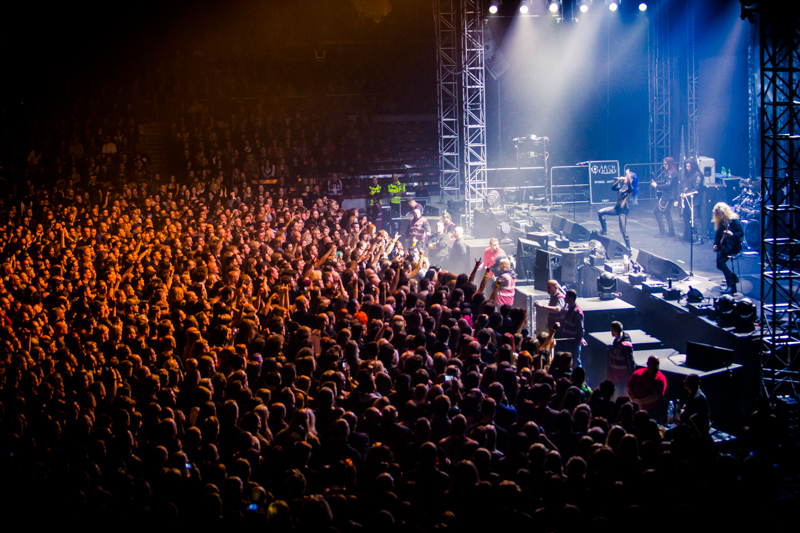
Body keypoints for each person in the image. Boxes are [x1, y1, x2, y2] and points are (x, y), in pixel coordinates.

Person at [598, 169, 637, 250]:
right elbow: (613, 188)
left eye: (626, 177)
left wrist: (628, 175)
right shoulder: (623, 187)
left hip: (623, 211)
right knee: (600, 212)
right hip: (616, 208)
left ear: (631, 179)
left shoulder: (630, 189)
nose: (624, 178)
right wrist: (618, 182)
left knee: (623, 230)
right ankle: (604, 230)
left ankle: (628, 247)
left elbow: (629, 185)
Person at [712, 202, 743, 294]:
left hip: (732, 246)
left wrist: (732, 234)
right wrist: (715, 244)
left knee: (721, 263)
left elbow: (741, 233)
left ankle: (731, 286)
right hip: (723, 246)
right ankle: (733, 278)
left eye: (720, 213)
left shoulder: (733, 221)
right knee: (719, 264)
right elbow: (718, 236)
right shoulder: (720, 222)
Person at [626, 355, 667, 420]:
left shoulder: (660, 378)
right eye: (652, 364)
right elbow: (629, 388)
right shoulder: (637, 373)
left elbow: (656, 396)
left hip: (651, 412)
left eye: (656, 364)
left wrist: (640, 402)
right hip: (634, 408)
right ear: (647, 364)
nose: (654, 367)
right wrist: (633, 400)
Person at [651, 157, 679, 238]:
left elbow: (668, 185)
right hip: (668, 196)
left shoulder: (671, 173)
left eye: (665, 164)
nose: (664, 166)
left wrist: (657, 186)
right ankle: (671, 232)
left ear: (669, 164)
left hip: (668, 196)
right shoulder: (671, 172)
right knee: (667, 213)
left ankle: (663, 232)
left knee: (656, 211)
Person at [557, 289, 584, 369]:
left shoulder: (576, 312)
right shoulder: (570, 309)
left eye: (567, 297)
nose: (565, 298)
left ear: (571, 298)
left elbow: (580, 329)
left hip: (574, 342)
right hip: (568, 341)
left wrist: (580, 339)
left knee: (576, 360)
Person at [681, 158, 705, 244]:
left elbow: (696, 189)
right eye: (686, 166)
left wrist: (687, 194)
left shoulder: (697, 175)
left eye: (689, 166)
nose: (687, 168)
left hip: (695, 200)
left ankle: (700, 237)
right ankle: (687, 234)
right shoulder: (688, 175)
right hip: (688, 199)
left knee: (695, 218)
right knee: (686, 217)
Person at [607, 320, 634, 391]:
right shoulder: (616, 341)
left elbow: (630, 362)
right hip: (615, 378)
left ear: (615, 331)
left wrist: (630, 378)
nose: (611, 332)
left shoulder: (625, 345)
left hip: (622, 379)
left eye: (612, 330)